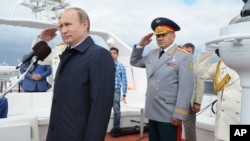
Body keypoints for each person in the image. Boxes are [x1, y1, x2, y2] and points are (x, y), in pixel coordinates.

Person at [36, 7, 115, 141]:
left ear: (84, 25)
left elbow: (100, 108)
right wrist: (41, 40)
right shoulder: (67, 53)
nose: (63, 30)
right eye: (61, 26)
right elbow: (38, 60)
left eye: (68, 25)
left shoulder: (99, 55)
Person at [130, 17, 194, 141]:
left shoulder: (183, 56)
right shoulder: (152, 54)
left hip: (169, 113)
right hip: (152, 109)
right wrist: (140, 45)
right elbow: (134, 61)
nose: (160, 38)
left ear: (173, 35)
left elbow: (186, 88)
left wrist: (179, 114)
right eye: (158, 36)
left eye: (164, 35)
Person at [196, 47, 242, 141]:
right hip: (223, 120)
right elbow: (201, 73)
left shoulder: (246, 64)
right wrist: (207, 50)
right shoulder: (220, 65)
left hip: (241, 119)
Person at [182, 43, 204, 141]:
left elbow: (200, 85)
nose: (186, 53)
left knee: (189, 129)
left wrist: (197, 102)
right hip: (174, 102)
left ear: (193, 53)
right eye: (184, 51)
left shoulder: (197, 66)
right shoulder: (175, 64)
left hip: (188, 103)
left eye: (188, 51)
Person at [109, 47, 128, 133]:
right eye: (111, 53)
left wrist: (124, 94)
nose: (112, 54)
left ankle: (116, 128)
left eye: (114, 53)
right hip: (106, 90)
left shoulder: (121, 66)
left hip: (116, 90)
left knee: (116, 110)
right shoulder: (105, 65)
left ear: (117, 54)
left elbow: (124, 80)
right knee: (104, 110)